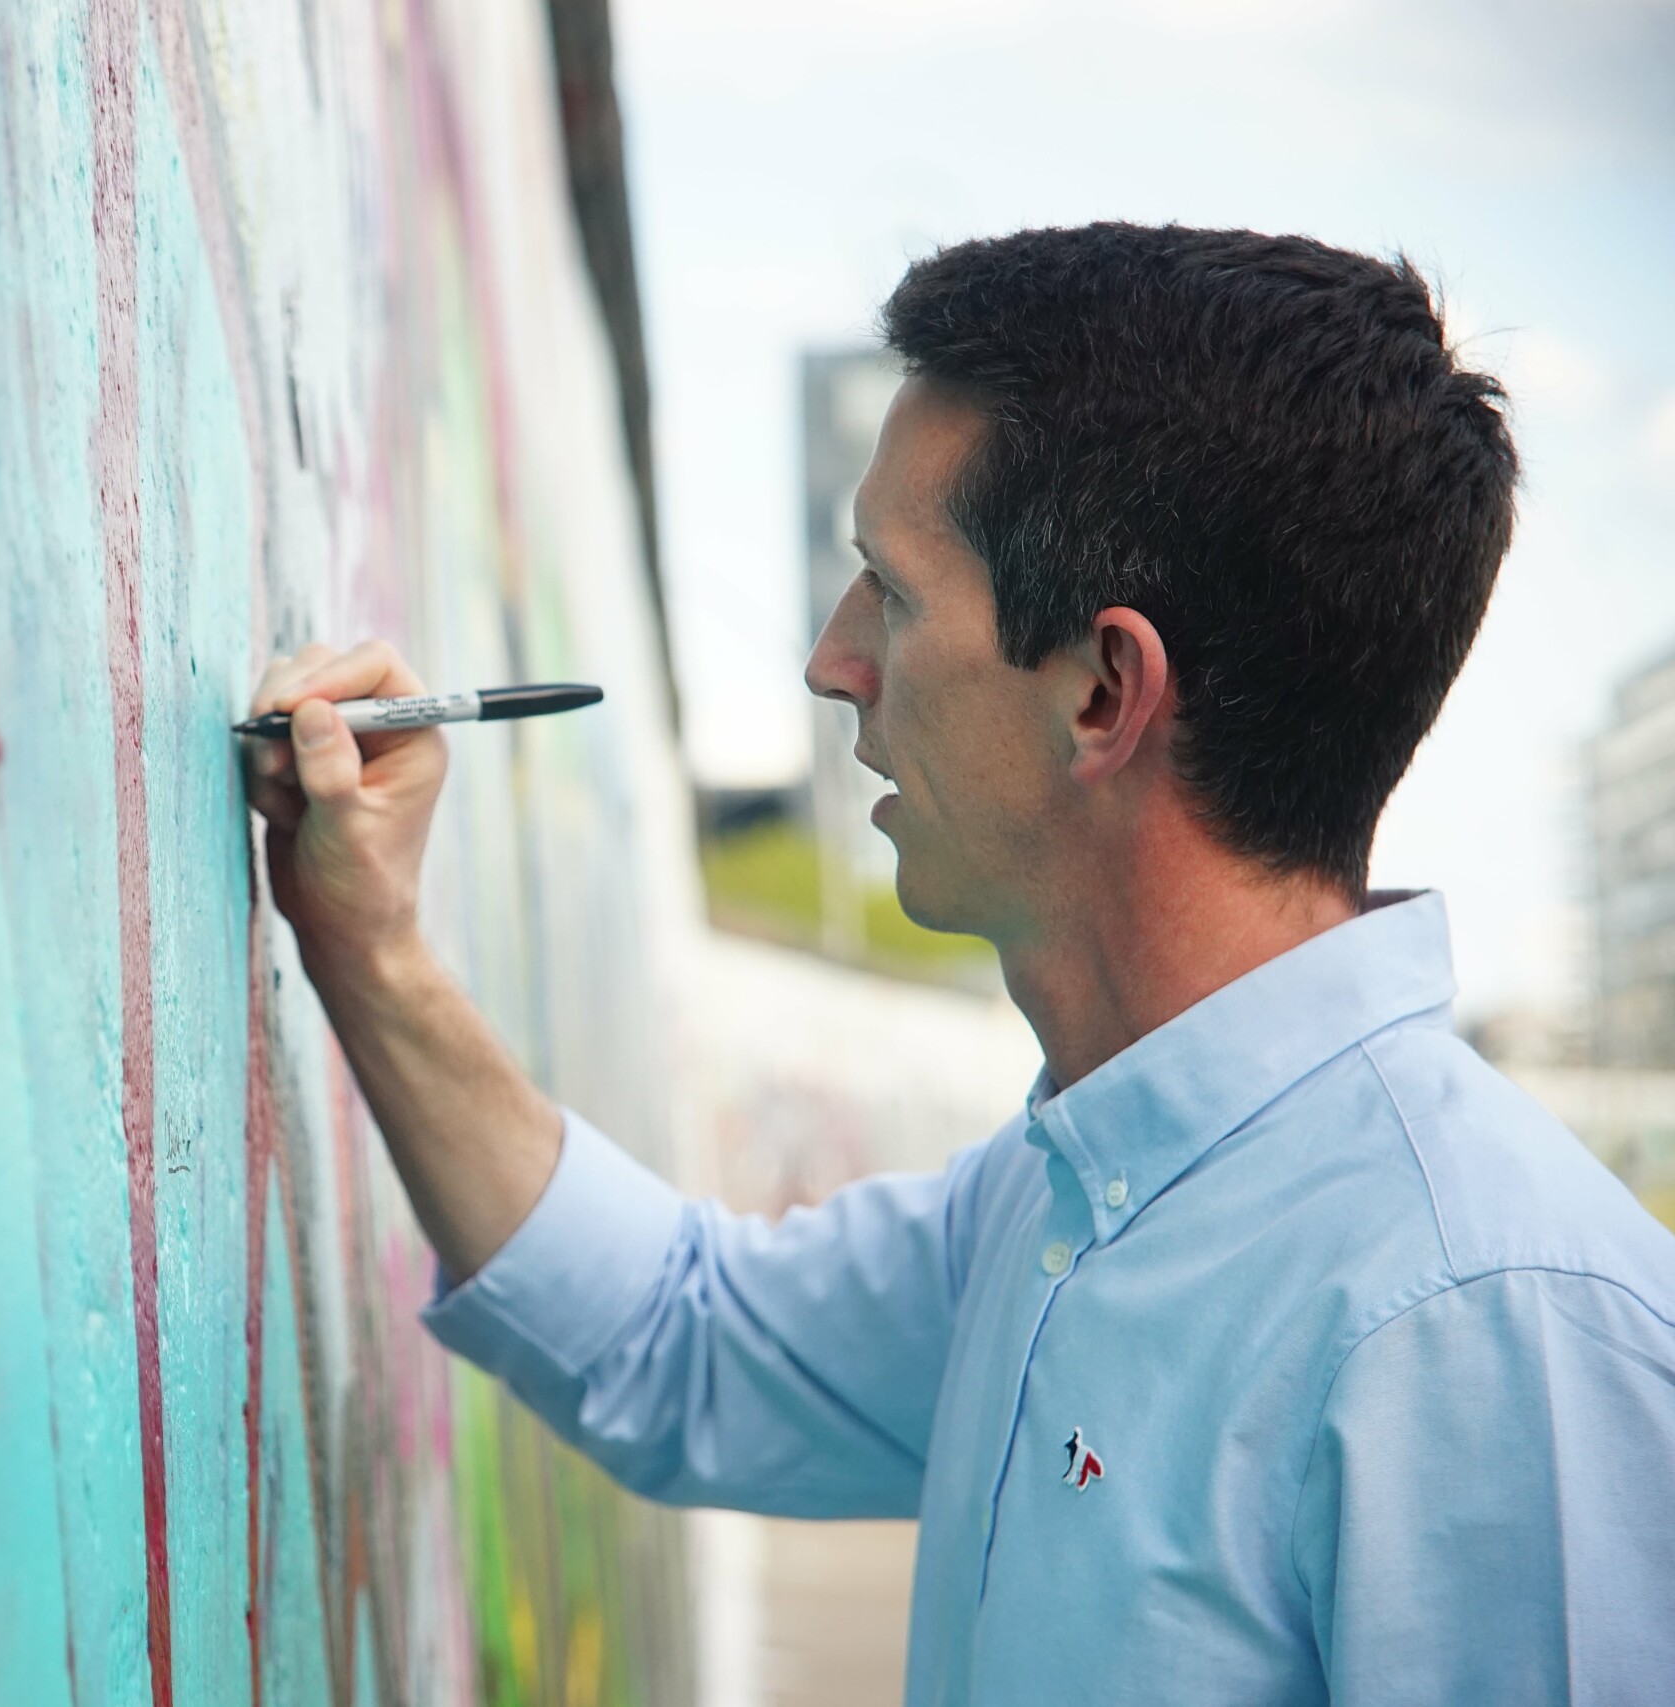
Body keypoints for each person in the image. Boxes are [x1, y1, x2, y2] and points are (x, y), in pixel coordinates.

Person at [241, 223, 1675, 1705]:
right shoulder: (1076, 1196)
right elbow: (683, 1343)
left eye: (892, 590)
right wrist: (370, 947)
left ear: (1104, 689)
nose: (830, 660)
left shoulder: (1489, 1323)